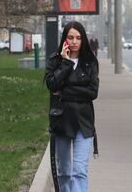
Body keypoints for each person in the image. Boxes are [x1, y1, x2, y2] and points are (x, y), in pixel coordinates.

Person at [45, 21, 99, 192]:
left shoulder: (90, 62)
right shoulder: (55, 60)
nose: (74, 41)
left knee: (79, 172)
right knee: (64, 172)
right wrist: (66, 64)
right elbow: (52, 85)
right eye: (70, 37)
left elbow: (92, 92)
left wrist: (63, 93)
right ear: (64, 39)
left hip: (84, 123)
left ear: (83, 40)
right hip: (61, 121)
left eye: (78, 38)